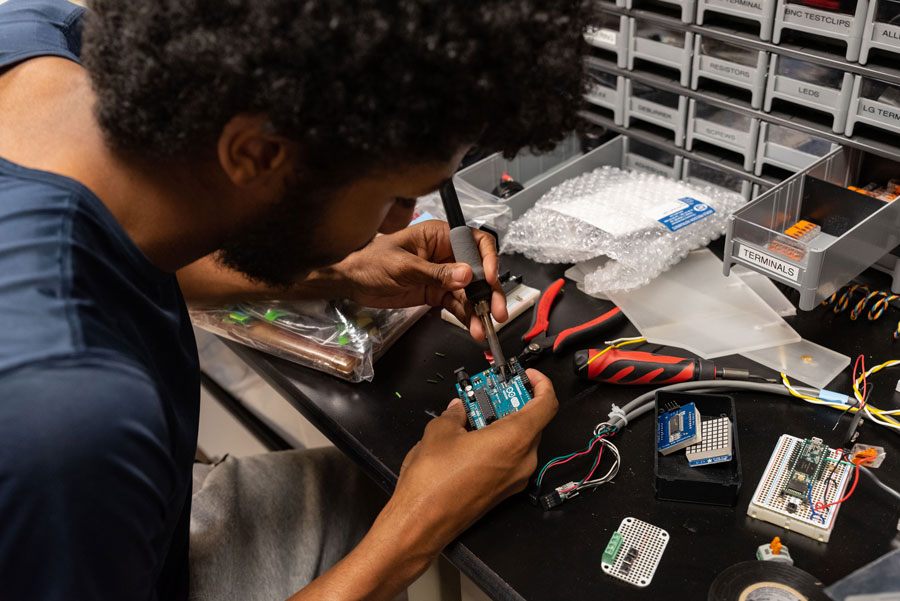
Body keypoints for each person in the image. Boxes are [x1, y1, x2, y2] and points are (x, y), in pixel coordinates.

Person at [0, 0, 588, 599]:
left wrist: (335, 268)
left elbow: (123, 246)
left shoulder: (37, 39)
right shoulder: (70, 422)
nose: (398, 223)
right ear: (257, 155)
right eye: (395, 196)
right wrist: (418, 527)